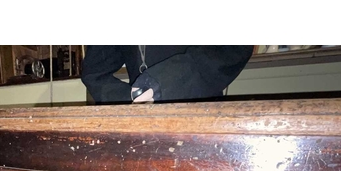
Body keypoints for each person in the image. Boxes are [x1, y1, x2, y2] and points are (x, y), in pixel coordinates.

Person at [81, 45, 254, 104]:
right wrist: (128, 98)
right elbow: (95, 72)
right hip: (142, 126)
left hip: (199, 114)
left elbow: (233, 48)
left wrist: (167, 82)